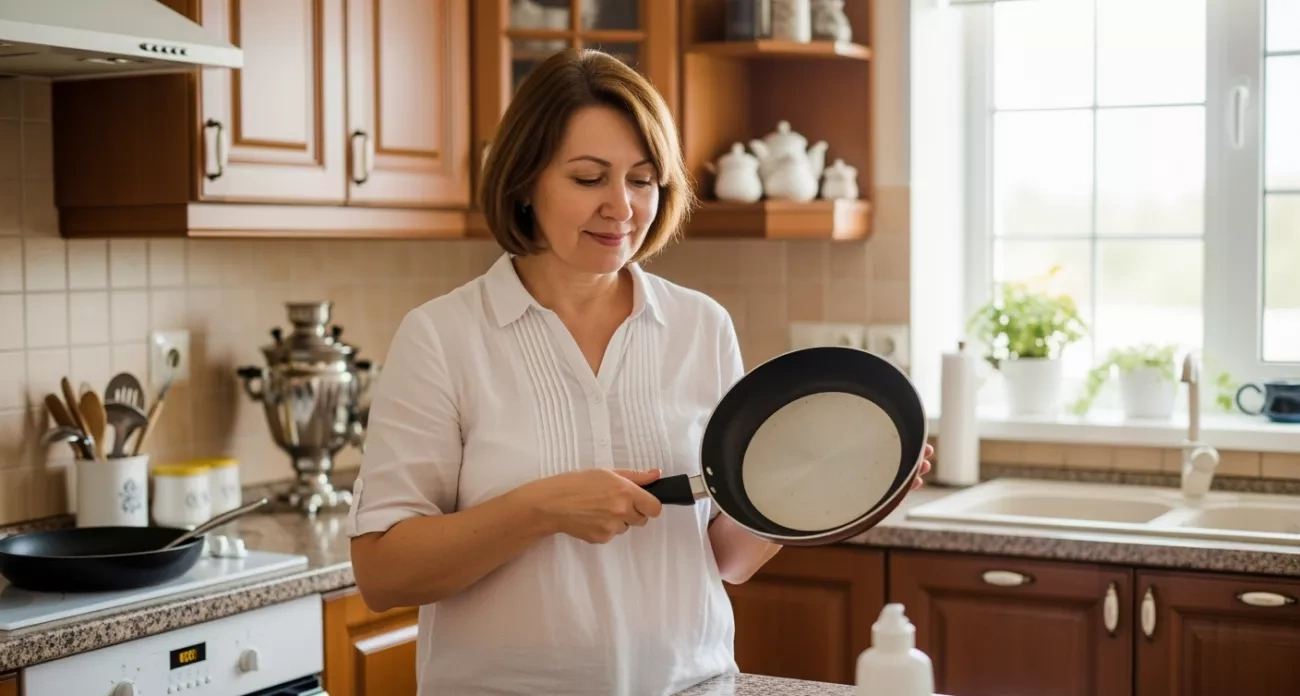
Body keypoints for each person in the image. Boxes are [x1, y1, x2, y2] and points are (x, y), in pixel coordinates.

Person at [345, 48, 932, 696]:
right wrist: (540, 509)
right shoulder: (443, 337)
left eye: (643, 179)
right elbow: (383, 573)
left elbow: (724, 557)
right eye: (589, 177)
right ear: (524, 180)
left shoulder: (700, 326)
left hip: (691, 686)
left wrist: (839, 492)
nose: (621, 207)